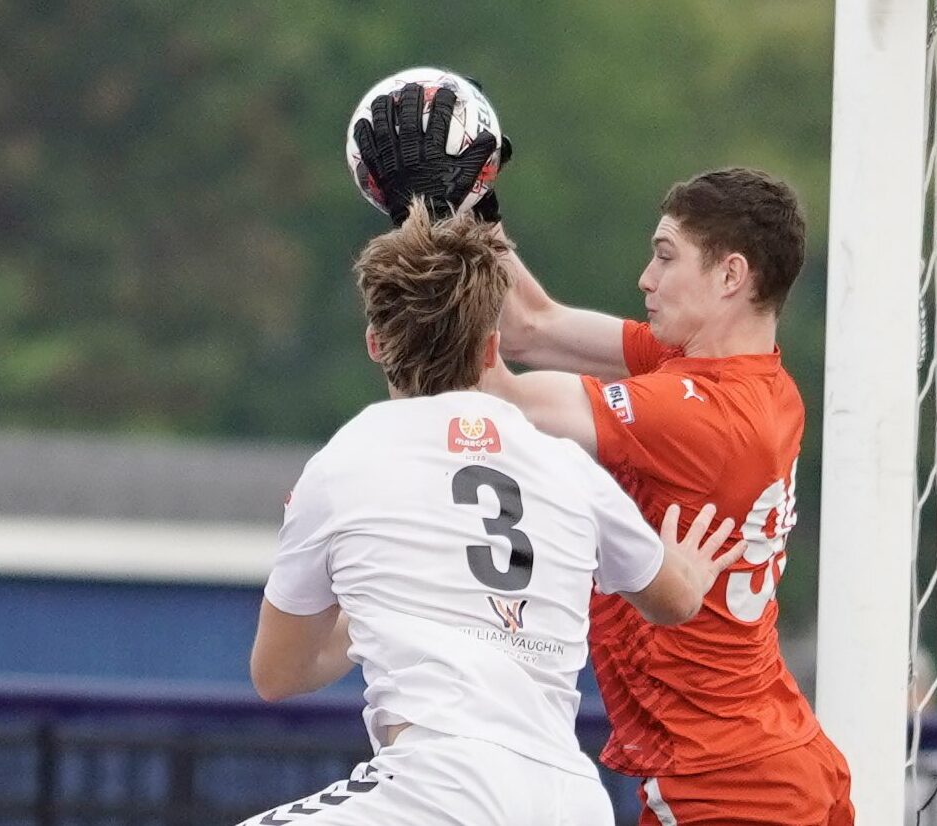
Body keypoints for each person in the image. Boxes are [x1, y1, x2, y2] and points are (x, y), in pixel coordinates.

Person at [352, 91, 854, 826]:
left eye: (664, 257)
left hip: (723, 787)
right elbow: (530, 327)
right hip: (769, 758)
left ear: (730, 276)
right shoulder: (742, 380)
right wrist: (471, 205)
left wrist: (425, 217)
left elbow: (496, 392)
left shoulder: (694, 413)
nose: (645, 280)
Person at [240, 204, 746, 826]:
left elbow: (276, 674)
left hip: (440, 784)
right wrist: (692, 572)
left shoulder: (344, 461)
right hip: (570, 800)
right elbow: (671, 601)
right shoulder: (566, 466)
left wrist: (381, 604)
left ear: (375, 344)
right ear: (492, 348)